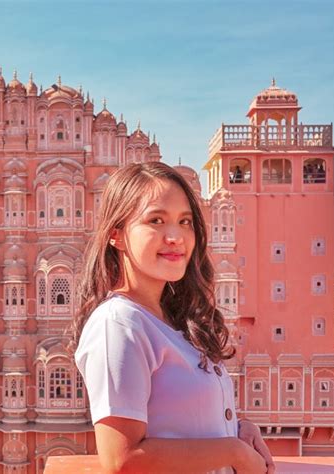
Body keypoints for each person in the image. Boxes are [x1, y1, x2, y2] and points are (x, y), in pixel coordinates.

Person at [72, 162, 274, 474]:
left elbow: (180, 420)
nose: (176, 236)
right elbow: (122, 459)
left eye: (185, 222)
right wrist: (233, 453)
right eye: (156, 220)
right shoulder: (119, 325)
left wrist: (237, 429)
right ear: (117, 235)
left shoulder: (172, 319)